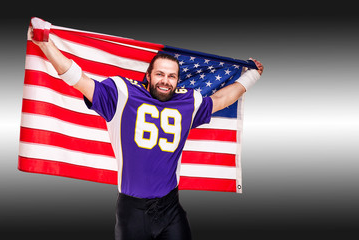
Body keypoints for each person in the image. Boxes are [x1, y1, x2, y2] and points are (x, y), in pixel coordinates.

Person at [30, 23, 263, 240]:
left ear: (177, 80)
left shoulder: (187, 103)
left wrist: (252, 75)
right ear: (148, 76)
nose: (166, 81)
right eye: (160, 74)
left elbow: (221, 98)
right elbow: (78, 79)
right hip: (133, 211)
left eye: (172, 76)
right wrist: (45, 44)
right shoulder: (123, 95)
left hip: (170, 207)